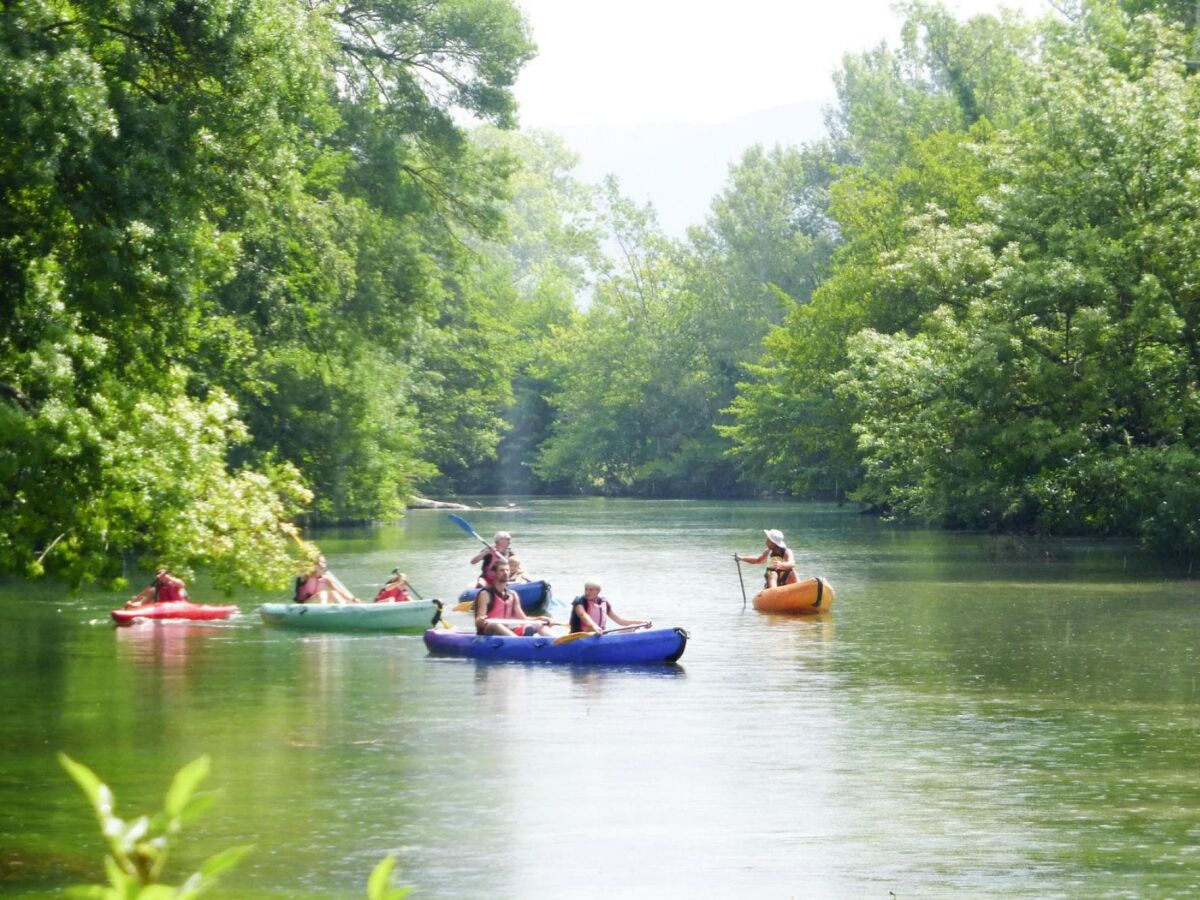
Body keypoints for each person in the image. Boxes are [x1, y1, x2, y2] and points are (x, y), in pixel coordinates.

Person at [474, 561, 552, 636]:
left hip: (508, 631)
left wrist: (541, 618)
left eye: (507, 570)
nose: (505, 573)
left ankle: (553, 642)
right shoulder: (485, 594)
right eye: (501, 570)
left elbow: (523, 619)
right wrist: (481, 620)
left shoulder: (512, 594)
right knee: (495, 624)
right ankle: (518, 643)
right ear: (494, 573)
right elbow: (478, 623)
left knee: (540, 624)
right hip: (489, 632)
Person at [568, 578, 650, 634]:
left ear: (598, 591)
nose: (587, 592)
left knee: (632, 628)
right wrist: (595, 626)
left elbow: (620, 620)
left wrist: (641, 623)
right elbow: (582, 615)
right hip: (580, 636)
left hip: (599, 634)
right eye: (586, 589)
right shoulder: (579, 600)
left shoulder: (604, 603)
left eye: (591, 589)